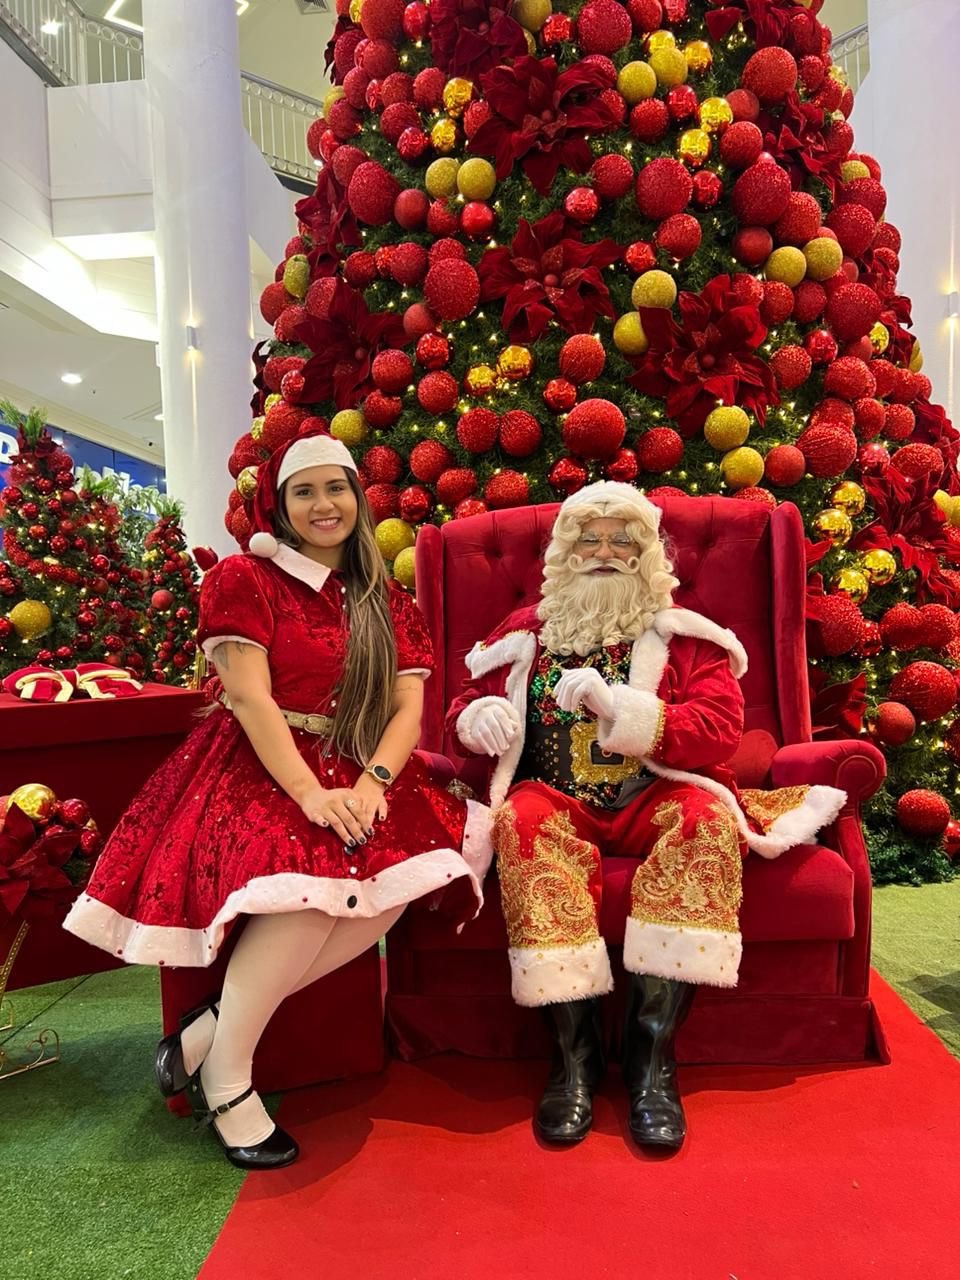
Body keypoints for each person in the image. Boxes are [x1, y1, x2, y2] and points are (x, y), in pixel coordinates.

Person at [65, 430, 490, 1170]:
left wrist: (373, 784)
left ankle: (208, 1030)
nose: (323, 505)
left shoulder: (383, 596)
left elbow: (405, 712)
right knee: (308, 889)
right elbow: (249, 698)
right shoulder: (244, 579)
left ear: (357, 499)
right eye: (305, 491)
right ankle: (229, 1083)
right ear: (282, 504)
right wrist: (308, 793)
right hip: (260, 762)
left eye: (336, 489)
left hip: (357, 762)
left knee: (396, 882)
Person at [446, 481, 844, 1151]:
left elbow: (719, 730)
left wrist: (620, 710)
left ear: (648, 553)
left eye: (621, 541)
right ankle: (573, 1062)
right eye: (589, 541)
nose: (604, 552)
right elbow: (466, 699)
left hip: (656, 794)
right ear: (566, 554)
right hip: (558, 798)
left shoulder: (686, 635)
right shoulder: (525, 633)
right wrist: (474, 717)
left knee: (705, 823)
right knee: (520, 821)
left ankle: (651, 1062)